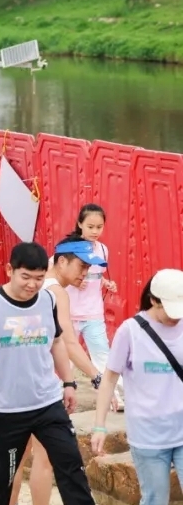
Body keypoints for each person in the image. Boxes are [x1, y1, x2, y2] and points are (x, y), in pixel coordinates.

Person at [0, 241, 96, 505]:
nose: (32, 285)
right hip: (6, 410)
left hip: (47, 403)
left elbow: (57, 342)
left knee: (71, 466)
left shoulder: (47, 300)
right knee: (1, 477)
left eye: (38, 278)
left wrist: (69, 383)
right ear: (10, 269)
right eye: (26, 277)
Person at [10, 236, 107, 505]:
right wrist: (96, 376)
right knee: (44, 459)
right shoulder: (57, 292)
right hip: (44, 386)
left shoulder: (30, 288)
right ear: (62, 261)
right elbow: (67, 341)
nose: (85, 273)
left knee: (14, 459)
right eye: (82, 266)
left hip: (19, 381)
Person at [92, 269, 183, 505]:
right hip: (148, 435)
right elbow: (109, 378)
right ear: (153, 299)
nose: (176, 318)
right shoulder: (130, 331)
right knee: (155, 498)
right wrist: (100, 426)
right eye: (169, 310)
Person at [66, 204, 123, 408]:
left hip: (93, 313)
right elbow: (56, 274)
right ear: (80, 223)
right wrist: (73, 281)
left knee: (103, 356)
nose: (95, 231)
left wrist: (107, 283)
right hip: (69, 314)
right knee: (66, 360)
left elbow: (96, 276)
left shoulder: (103, 250)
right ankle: (57, 398)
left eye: (99, 227)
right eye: (90, 226)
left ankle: (113, 397)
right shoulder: (69, 248)